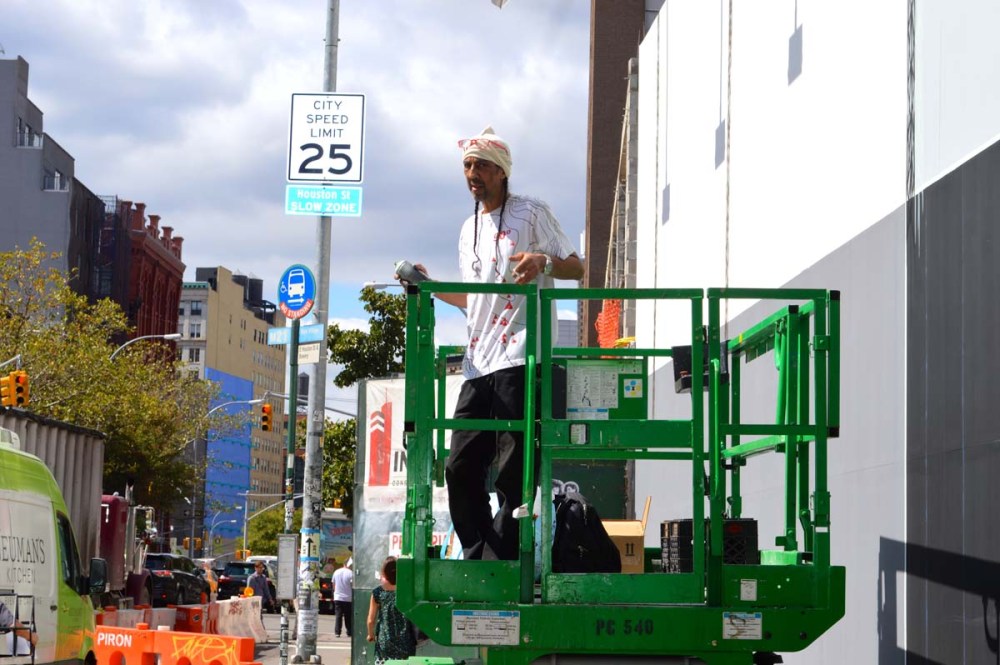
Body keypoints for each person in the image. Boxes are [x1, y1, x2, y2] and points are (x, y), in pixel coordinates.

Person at [400, 126, 583, 560]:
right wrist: (427, 286)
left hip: (522, 355)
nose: (472, 172)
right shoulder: (468, 229)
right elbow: (474, 301)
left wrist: (543, 262)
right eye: (467, 165)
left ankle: (504, 560)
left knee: (512, 470)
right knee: (458, 467)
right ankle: (480, 554)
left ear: (502, 172)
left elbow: (577, 268)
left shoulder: (531, 212)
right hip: (478, 361)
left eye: (481, 164)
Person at [366, 557, 416, 663]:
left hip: (384, 644)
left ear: (384, 574)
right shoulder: (408, 592)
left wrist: (371, 635)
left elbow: (370, 621)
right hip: (406, 643)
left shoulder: (378, 593)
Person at [332, 558, 354, 638]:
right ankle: (349, 632)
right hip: (348, 598)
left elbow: (333, 584)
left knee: (338, 615)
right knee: (348, 616)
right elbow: (352, 585)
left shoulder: (336, 572)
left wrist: (336, 592)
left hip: (338, 597)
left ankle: (337, 632)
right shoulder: (351, 573)